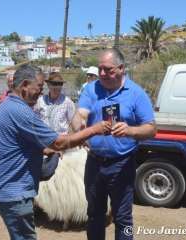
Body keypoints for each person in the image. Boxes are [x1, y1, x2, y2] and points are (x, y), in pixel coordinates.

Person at [0, 64, 111, 240]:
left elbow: (22, 143)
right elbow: (60, 142)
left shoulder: (6, 107)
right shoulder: (20, 111)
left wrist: (49, 148)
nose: (41, 92)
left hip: (4, 187)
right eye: (40, 87)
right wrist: (94, 129)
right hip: (13, 191)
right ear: (25, 85)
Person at [71, 48, 156, 240]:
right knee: (94, 215)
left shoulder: (136, 94)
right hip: (94, 162)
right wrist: (79, 127)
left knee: (123, 218)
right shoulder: (91, 89)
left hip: (122, 164)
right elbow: (80, 115)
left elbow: (151, 129)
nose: (102, 74)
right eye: (100, 69)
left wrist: (130, 130)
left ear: (121, 69)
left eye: (107, 69)